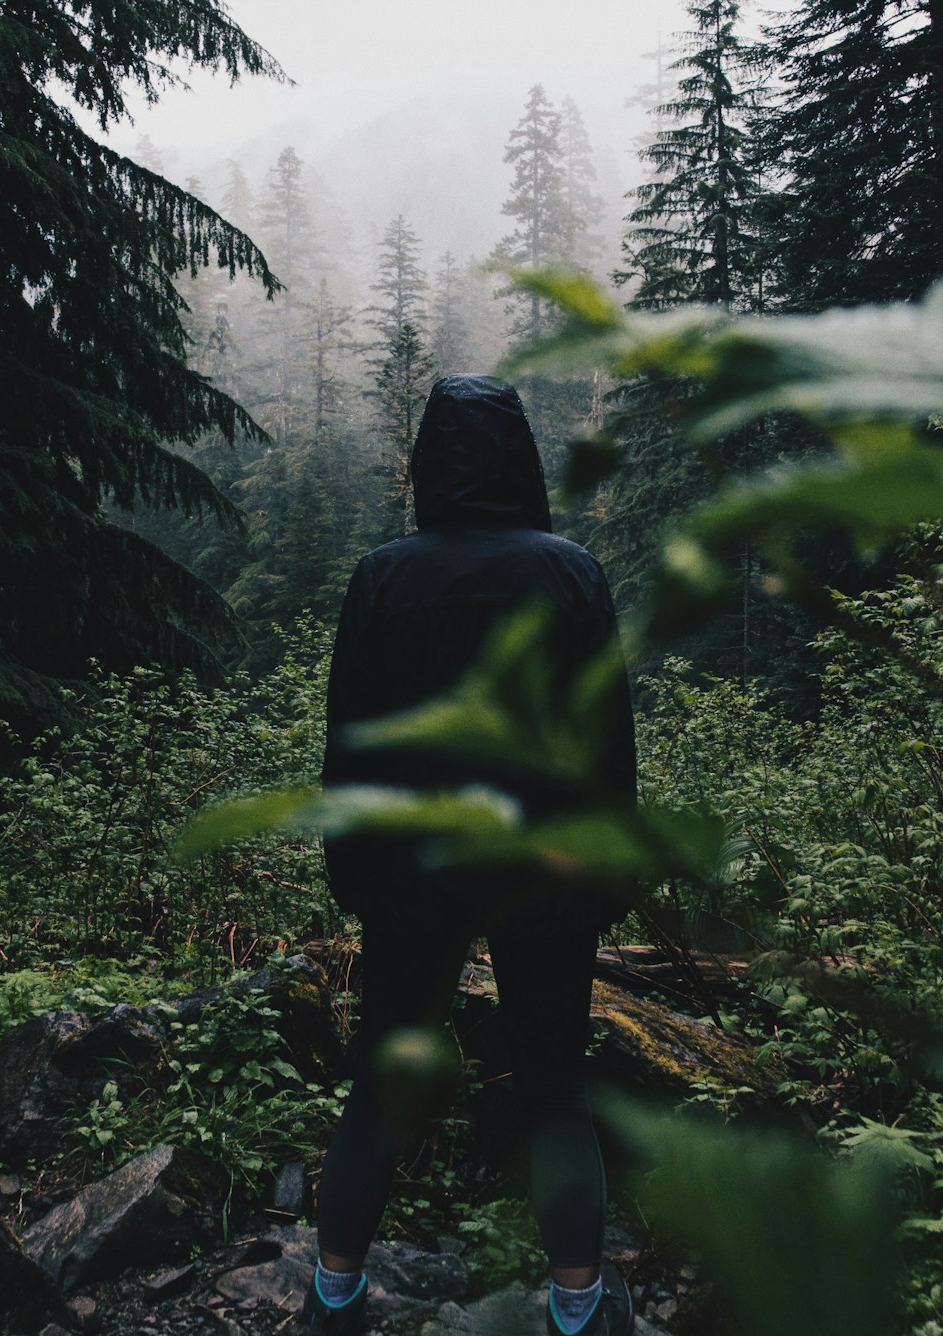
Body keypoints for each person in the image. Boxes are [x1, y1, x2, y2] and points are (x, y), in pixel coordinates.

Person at [299, 376, 637, 1336]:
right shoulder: (573, 570)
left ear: (430, 466)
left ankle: (335, 1297)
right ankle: (577, 1307)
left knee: (381, 1080)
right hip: (548, 872)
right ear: (522, 457)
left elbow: (351, 741)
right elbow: (608, 741)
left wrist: (355, 874)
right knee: (553, 1091)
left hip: (412, 875)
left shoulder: (383, 575)